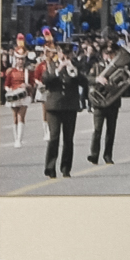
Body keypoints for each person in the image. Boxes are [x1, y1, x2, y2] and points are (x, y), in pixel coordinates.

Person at [40, 43, 83, 180]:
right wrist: (58, 70)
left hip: (70, 107)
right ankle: (50, 167)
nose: (65, 56)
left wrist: (73, 70)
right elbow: (46, 80)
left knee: (68, 139)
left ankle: (66, 168)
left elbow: (84, 81)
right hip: (54, 107)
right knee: (54, 137)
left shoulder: (75, 66)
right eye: (63, 53)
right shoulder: (51, 66)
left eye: (68, 54)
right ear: (58, 53)